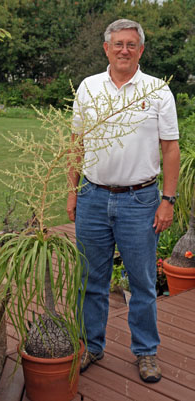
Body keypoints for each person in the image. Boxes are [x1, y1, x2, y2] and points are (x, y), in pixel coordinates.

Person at [67, 19, 180, 383]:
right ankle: (92, 345)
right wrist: (72, 191)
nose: (124, 50)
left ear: (141, 50)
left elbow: (170, 147)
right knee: (91, 279)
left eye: (131, 44)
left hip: (140, 201)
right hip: (93, 196)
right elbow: (76, 144)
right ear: (106, 48)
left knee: (143, 282)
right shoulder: (88, 88)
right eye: (118, 43)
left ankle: (146, 352)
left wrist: (168, 199)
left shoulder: (158, 91)